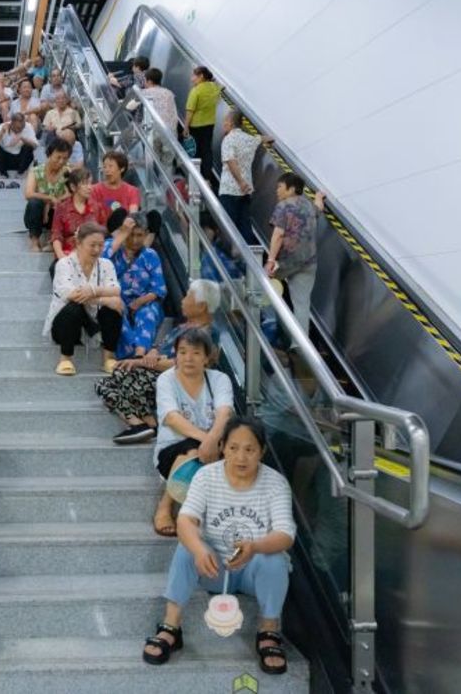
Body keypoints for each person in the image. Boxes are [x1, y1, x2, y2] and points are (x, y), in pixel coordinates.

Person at [142, 417, 294, 676]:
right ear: (222, 447)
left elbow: (285, 534)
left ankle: (269, 630)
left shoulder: (275, 483)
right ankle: (170, 627)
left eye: (250, 449)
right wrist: (200, 550)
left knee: (276, 558)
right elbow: (186, 519)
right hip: (213, 569)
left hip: (251, 572)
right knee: (187, 547)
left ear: (262, 451)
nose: (241, 457)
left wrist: (255, 547)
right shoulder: (206, 475)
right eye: (234, 448)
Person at [95, 279, 222, 446]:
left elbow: (181, 364)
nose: (183, 300)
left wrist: (142, 363)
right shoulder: (183, 326)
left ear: (202, 306)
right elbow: (161, 346)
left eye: (188, 297)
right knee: (104, 384)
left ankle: (145, 423)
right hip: (155, 371)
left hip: (176, 380)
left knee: (121, 374)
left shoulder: (206, 333)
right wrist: (153, 351)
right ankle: (140, 423)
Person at [151, 328, 233, 536]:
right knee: (193, 451)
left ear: (207, 357)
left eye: (196, 353)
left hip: (214, 445)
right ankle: (165, 506)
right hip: (172, 449)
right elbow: (172, 418)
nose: (188, 358)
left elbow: (224, 413)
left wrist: (212, 440)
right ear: (176, 355)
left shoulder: (219, 379)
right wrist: (208, 441)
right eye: (182, 352)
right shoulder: (166, 379)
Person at [45, 222, 123, 376]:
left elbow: (116, 289)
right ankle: (65, 359)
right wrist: (104, 299)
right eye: (92, 245)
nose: (97, 250)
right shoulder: (64, 264)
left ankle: (108, 358)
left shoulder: (106, 264)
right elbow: (72, 294)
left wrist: (93, 290)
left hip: (94, 321)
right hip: (65, 324)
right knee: (74, 307)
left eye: (100, 245)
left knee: (113, 310)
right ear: (79, 243)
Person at [265, 172, 322, 339]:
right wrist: (319, 196)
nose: (277, 191)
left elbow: (278, 235)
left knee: (260, 285)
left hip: (286, 262)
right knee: (302, 304)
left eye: (280, 187)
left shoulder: (283, 206)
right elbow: (320, 208)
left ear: (292, 189)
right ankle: (301, 346)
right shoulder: (309, 205)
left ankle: (269, 327)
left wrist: (271, 260)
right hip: (309, 262)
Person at [106, 214, 166, 359]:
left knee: (147, 314)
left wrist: (139, 302)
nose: (134, 240)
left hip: (145, 301)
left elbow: (159, 289)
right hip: (117, 299)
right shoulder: (112, 248)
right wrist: (122, 235)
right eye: (130, 235)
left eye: (139, 235)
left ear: (146, 234)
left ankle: (139, 354)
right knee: (117, 313)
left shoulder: (151, 255)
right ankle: (129, 353)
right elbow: (98, 260)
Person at [219, 109, 273, 244]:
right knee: (244, 225)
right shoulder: (249, 139)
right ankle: (250, 259)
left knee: (228, 226)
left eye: (225, 121)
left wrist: (240, 181)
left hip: (229, 189)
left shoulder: (228, 139)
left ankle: (229, 258)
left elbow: (231, 161)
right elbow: (266, 138)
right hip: (246, 190)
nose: (223, 124)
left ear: (231, 123)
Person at [23, 138, 72, 252]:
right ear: (49, 154)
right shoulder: (36, 171)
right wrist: (49, 198)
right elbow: (28, 194)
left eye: (64, 158)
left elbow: (71, 193)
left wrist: (56, 201)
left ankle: (53, 239)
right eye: (58, 157)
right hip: (36, 214)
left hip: (56, 212)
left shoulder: (67, 171)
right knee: (35, 202)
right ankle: (35, 240)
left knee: (63, 205)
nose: (61, 161)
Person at [50, 167, 105, 263]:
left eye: (90, 183)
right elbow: (56, 235)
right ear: (73, 187)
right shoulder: (62, 208)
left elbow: (103, 234)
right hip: (67, 255)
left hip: (92, 255)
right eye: (85, 184)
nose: (89, 187)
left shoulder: (97, 207)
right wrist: (61, 257)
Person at [184, 66, 222, 187]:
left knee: (194, 151)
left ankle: (195, 179)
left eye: (194, 76)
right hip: (209, 124)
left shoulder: (196, 91)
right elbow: (222, 87)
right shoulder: (214, 87)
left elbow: (190, 111)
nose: (191, 79)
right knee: (207, 151)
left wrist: (185, 127)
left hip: (196, 125)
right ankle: (207, 178)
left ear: (201, 76)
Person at [0, 112, 37, 187]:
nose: (20, 129)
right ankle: (3, 173)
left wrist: (23, 138)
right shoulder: (2, 126)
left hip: (20, 159)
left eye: (22, 127)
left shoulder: (28, 127)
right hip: (5, 159)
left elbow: (35, 146)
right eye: (18, 128)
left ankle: (20, 173)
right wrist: (2, 132)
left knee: (28, 147)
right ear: (11, 124)